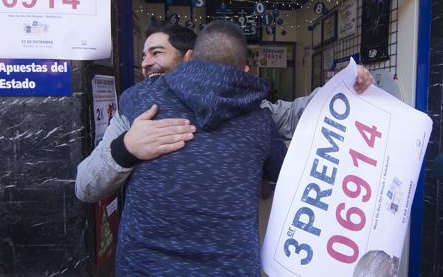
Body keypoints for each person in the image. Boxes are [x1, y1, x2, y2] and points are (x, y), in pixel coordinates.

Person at [75, 23, 374, 202]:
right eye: (144, 55)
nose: (146, 63)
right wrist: (125, 148)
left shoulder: (252, 109)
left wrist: (345, 85)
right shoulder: (136, 108)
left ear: (190, 57)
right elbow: (86, 186)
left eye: (157, 53)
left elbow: (297, 115)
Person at [115, 20, 287, 275]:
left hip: (144, 266)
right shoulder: (261, 122)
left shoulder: (138, 99)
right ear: (245, 70)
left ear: (191, 57)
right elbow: (282, 172)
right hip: (230, 267)